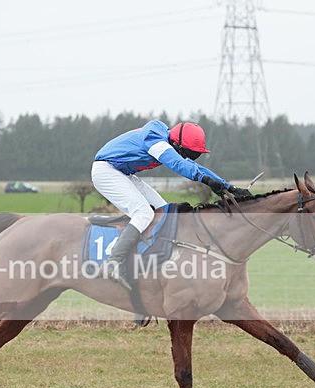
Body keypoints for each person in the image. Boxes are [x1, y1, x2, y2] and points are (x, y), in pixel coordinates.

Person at [91, 119, 252, 289]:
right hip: (106, 171)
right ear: (176, 144)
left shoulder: (170, 141)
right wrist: (206, 180)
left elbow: (192, 165)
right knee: (144, 213)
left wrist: (230, 187)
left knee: (164, 212)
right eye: (186, 153)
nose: (186, 157)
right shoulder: (155, 141)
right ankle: (113, 262)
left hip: (124, 173)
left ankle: (153, 263)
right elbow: (178, 164)